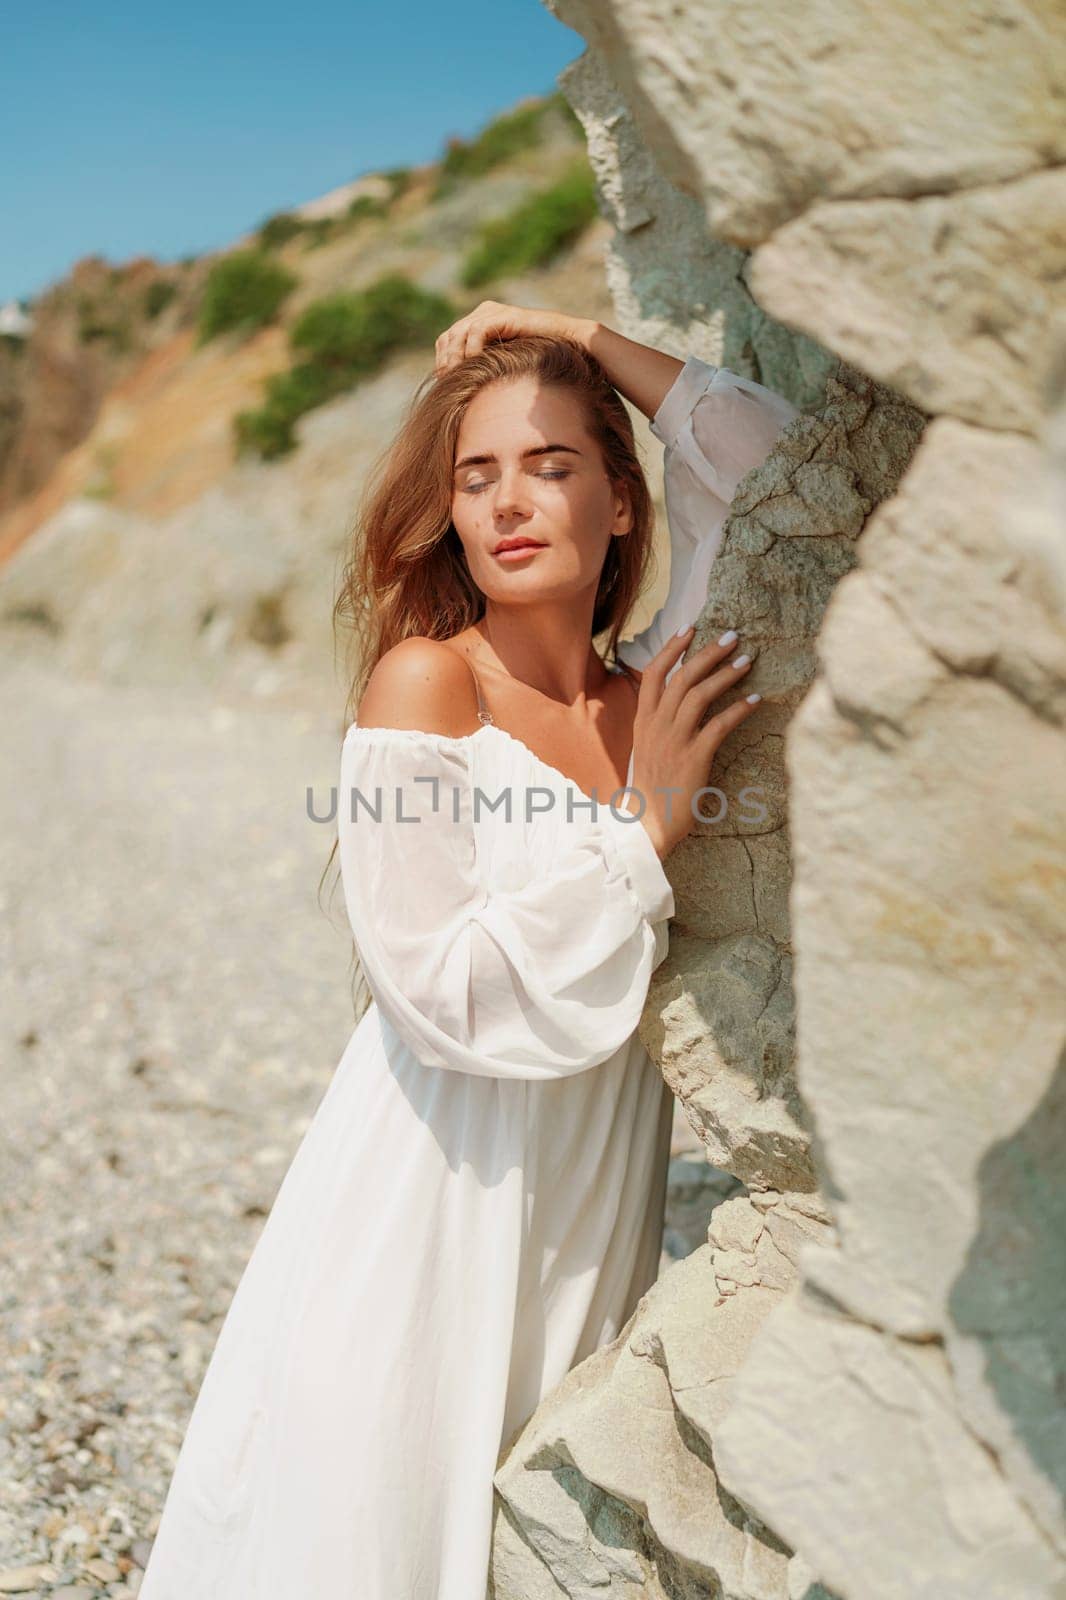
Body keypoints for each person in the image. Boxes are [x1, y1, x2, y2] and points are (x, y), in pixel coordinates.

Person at [137, 303, 800, 1600]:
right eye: (474, 474)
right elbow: (435, 991)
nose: (508, 501)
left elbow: (775, 459)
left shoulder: (656, 687)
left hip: (583, 1197)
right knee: (361, 1537)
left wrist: (574, 333)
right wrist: (646, 827)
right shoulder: (425, 686)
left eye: (552, 464)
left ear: (623, 502)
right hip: (424, 1194)